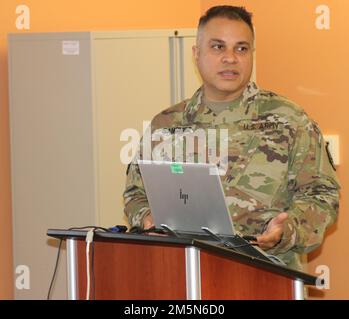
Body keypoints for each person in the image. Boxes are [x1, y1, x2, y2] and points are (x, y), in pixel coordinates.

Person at [123, 5, 340, 271]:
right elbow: (137, 192)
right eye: (217, 47)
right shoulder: (166, 124)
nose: (230, 58)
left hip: (268, 275)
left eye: (241, 48)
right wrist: (147, 219)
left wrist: (288, 229)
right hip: (185, 275)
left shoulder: (289, 120)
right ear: (196, 54)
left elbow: (322, 194)